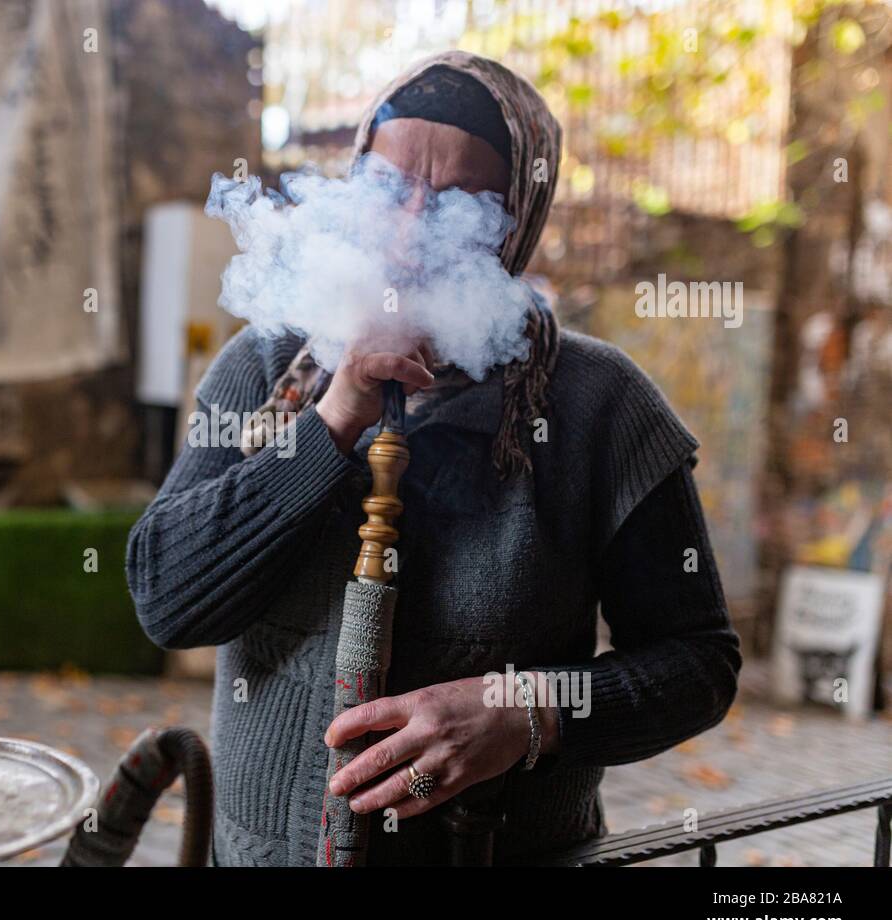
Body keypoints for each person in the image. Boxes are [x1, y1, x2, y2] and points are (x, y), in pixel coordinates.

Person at [126, 51, 741, 866]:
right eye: (387, 190)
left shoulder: (599, 405)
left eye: (460, 202)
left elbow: (700, 664)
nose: (411, 230)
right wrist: (335, 414)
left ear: (517, 221)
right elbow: (168, 603)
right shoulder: (266, 366)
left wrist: (530, 711)